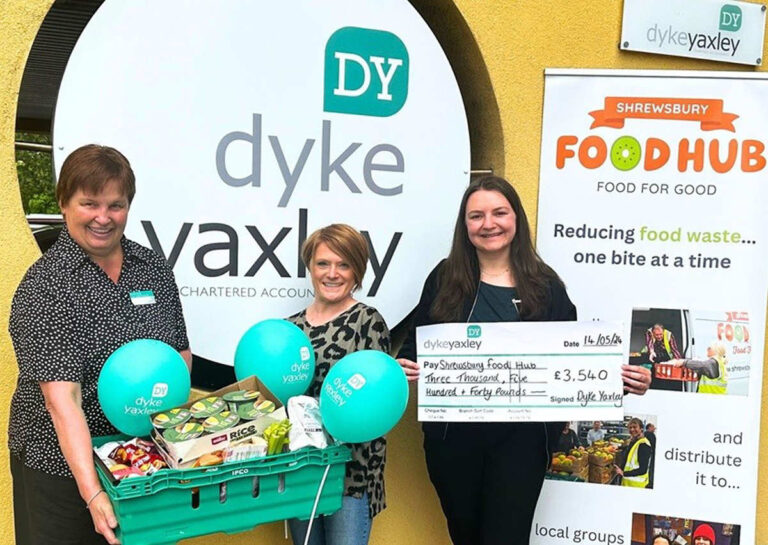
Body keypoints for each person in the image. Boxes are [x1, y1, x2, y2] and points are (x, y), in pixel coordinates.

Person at [396, 176, 651, 545]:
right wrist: (403, 369)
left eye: (500, 212)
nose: (489, 224)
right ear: (464, 225)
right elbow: (413, 349)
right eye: (476, 216)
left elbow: (574, 361)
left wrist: (622, 381)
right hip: (452, 444)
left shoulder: (545, 285)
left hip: (522, 445)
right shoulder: (444, 278)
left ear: (516, 219)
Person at [8, 144, 192, 545]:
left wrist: (167, 447)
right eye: (89, 203)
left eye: (116, 205)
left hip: (137, 463)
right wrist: (92, 492)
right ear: (64, 204)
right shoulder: (46, 286)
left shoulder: (153, 269)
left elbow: (178, 353)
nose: (103, 218)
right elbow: (63, 401)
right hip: (58, 466)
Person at [287, 224, 390, 545]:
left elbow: (376, 403)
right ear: (310, 267)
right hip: (302, 472)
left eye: (343, 264)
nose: (332, 273)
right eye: (323, 264)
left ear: (357, 270)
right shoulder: (291, 329)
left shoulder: (367, 322)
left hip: (351, 477)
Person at [614, 417, 651, 488]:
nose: (632, 429)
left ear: (641, 429)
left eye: (635, 427)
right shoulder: (634, 441)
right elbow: (629, 449)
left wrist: (623, 473)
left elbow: (643, 470)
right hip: (628, 483)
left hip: (636, 485)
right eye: (630, 427)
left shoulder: (644, 444)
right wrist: (618, 447)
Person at [645, 324, 684, 391]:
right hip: (654, 357)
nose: (659, 337)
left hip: (667, 359)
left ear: (663, 331)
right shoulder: (649, 333)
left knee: (666, 379)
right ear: (653, 333)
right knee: (654, 378)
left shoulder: (669, 335)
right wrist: (651, 352)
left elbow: (674, 349)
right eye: (657, 335)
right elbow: (649, 344)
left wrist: (679, 360)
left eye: (661, 334)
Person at [644, 423, 657, 488]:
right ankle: (650, 483)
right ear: (649, 427)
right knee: (650, 468)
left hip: (647, 455)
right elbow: (653, 445)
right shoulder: (650, 434)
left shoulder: (645, 434)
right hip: (651, 455)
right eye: (653, 427)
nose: (655, 428)